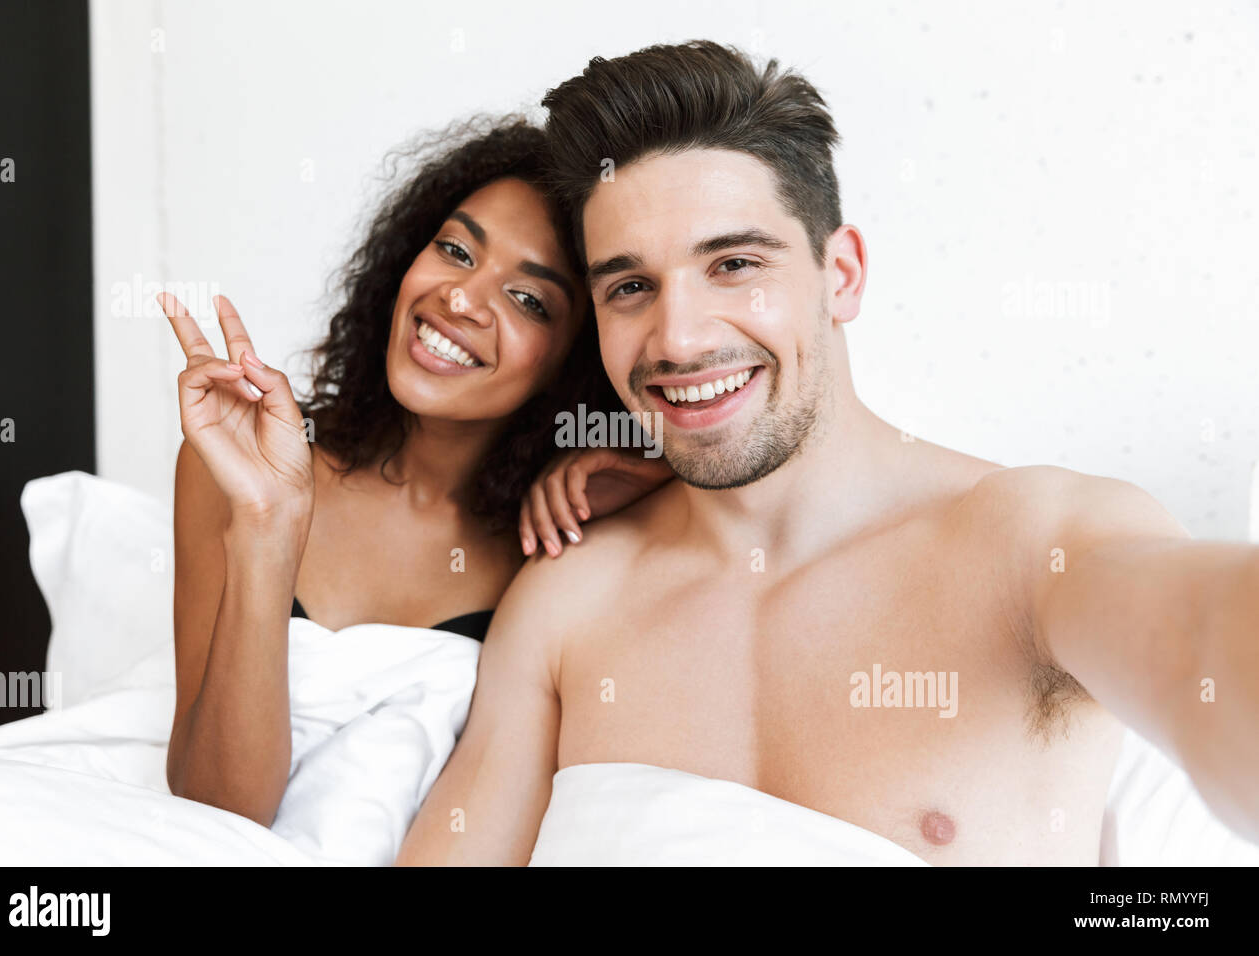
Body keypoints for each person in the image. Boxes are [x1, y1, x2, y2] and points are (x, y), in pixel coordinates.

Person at [396, 42, 1259, 865]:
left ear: (840, 274)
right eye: (630, 287)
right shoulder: (568, 599)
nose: (680, 337)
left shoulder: (1039, 545)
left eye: (733, 263)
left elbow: (1205, 639)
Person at [158, 118, 671, 827]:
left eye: (529, 300)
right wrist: (267, 525)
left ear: (576, 362)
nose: (461, 299)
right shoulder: (241, 460)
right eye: (456, 250)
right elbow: (218, 807)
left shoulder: (571, 535)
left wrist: (663, 473)